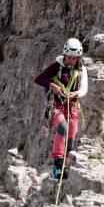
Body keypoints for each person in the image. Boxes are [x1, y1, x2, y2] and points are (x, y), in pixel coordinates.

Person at [33, 37, 89, 179]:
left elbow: (84, 88)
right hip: (57, 106)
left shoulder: (81, 70)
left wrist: (76, 93)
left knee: (71, 137)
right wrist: (52, 85)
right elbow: (39, 79)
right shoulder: (56, 67)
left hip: (72, 106)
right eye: (69, 58)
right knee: (62, 128)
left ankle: (64, 165)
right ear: (65, 55)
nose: (71, 61)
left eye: (74, 58)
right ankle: (57, 166)